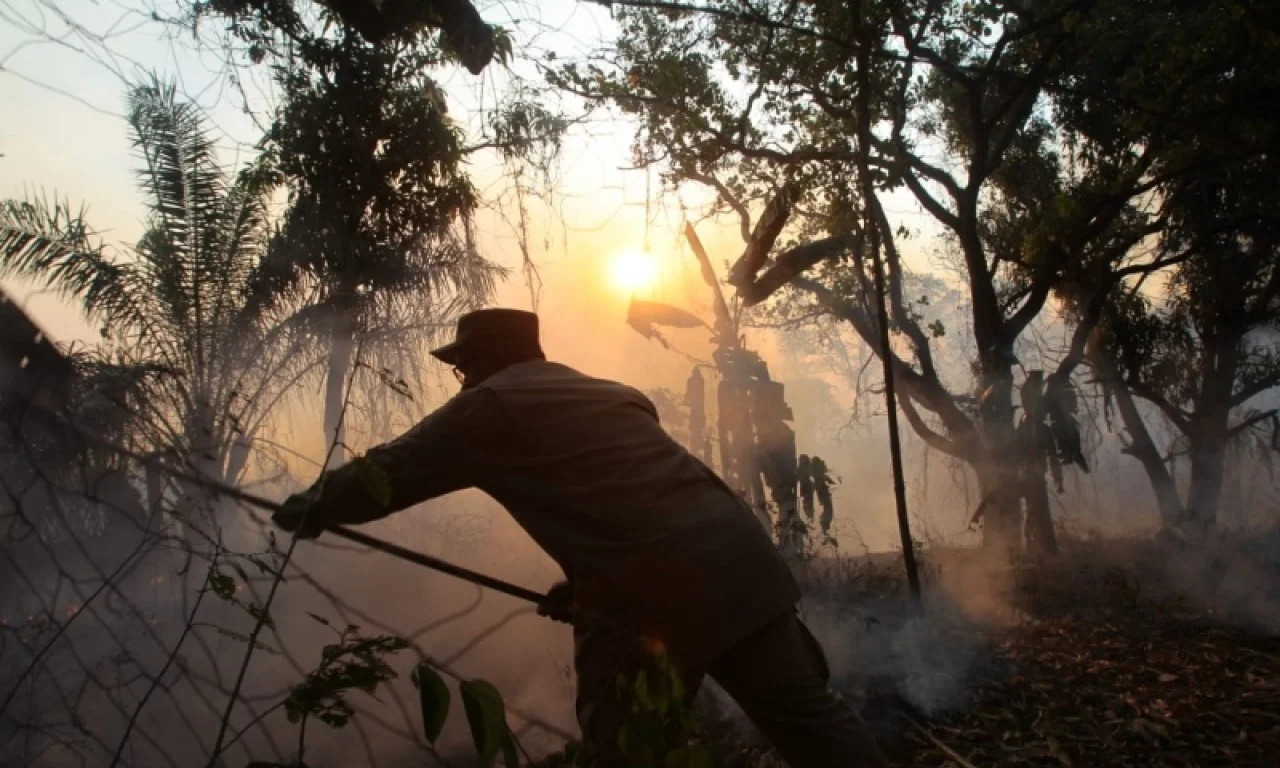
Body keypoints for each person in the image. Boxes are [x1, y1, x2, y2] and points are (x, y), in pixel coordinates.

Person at [273, 308, 889, 767]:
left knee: (625, 752)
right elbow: (635, 500)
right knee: (813, 723)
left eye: (463, 364)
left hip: (651, 597)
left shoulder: (488, 407)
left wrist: (312, 506)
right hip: (744, 568)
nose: (460, 377)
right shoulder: (611, 394)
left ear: (484, 361)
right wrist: (585, 582)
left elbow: (392, 470)